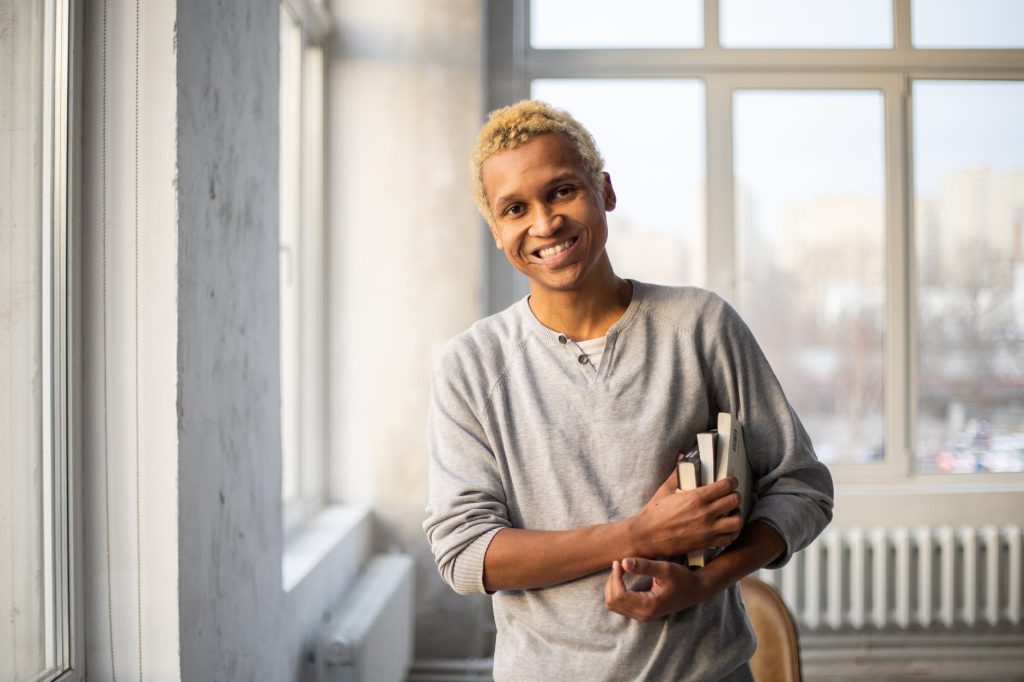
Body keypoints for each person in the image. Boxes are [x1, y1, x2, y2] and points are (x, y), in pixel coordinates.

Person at [424, 100, 833, 681]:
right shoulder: (470, 365)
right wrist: (639, 534)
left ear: (605, 191)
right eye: (516, 208)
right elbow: (465, 555)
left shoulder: (700, 325)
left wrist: (704, 581)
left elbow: (803, 487)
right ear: (496, 230)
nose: (544, 224)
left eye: (562, 191)